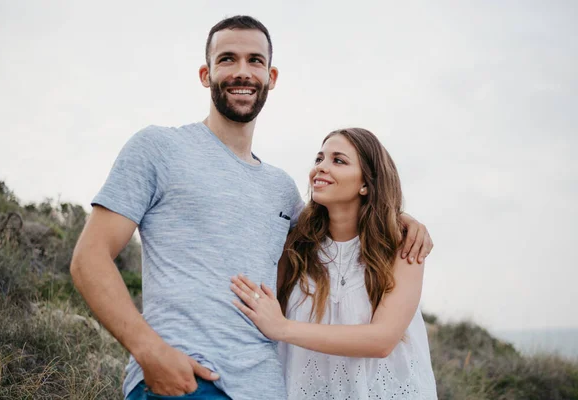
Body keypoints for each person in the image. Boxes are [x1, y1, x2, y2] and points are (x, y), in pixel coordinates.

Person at [70, 16, 433, 400]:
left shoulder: (281, 189)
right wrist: (149, 351)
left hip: (267, 387)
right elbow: (89, 259)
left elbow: (337, 230)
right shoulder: (157, 148)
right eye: (227, 59)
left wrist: (399, 219)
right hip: (187, 378)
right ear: (205, 73)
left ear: (271, 76)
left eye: (255, 61)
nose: (242, 72)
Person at [230, 128, 438, 399]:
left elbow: (382, 340)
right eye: (319, 159)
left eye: (338, 160)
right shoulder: (295, 244)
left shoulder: (403, 246)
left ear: (366, 183)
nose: (320, 168)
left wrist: (282, 327)